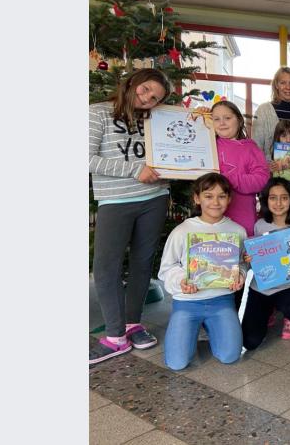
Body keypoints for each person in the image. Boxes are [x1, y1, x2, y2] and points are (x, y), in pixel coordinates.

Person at [89, 68, 172, 365]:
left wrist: (198, 120)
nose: (147, 98)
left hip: (155, 198)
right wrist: (134, 170)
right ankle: (114, 335)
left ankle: (132, 324)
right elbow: (86, 158)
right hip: (115, 199)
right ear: (135, 81)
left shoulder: (155, 119)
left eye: (155, 98)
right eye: (147, 89)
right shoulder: (97, 113)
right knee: (106, 267)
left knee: (141, 264)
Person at [157, 174, 246, 370]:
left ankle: (208, 328)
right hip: (187, 304)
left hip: (222, 302)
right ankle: (189, 331)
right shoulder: (182, 231)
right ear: (197, 198)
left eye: (222, 196)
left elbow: (242, 263)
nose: (215, 202)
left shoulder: (237, 231)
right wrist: (181, 280)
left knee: (229, 355)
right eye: (208, 196)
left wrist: (240, 275)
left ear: (229, 199)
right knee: (177, 363)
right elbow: (166, 269)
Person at [242, 178, 290, 349]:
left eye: (284, 198)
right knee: (250, 342)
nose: (278, 203)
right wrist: (248, 258)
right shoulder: (259, 226)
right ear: (265, 200)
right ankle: (269, 310)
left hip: (288, 286)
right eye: (273, 198)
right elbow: (251, 259)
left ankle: (289, 317)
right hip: (261, 287)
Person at [204, 100, 270, 237]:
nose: (222, 123)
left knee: (241, 252)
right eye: (216, 119)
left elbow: (261, 179)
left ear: (239, 121)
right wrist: (199, 115)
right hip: (211, 214)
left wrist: (226, 179)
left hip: (242, 213)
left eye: (227, 118)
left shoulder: (250, 147)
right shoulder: (207, 144)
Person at [252, 67, 290, 160]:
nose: (288, 87)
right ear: (276, 85)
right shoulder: (263, 110)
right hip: (269, 172)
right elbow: (256, 148)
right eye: (283, 83)